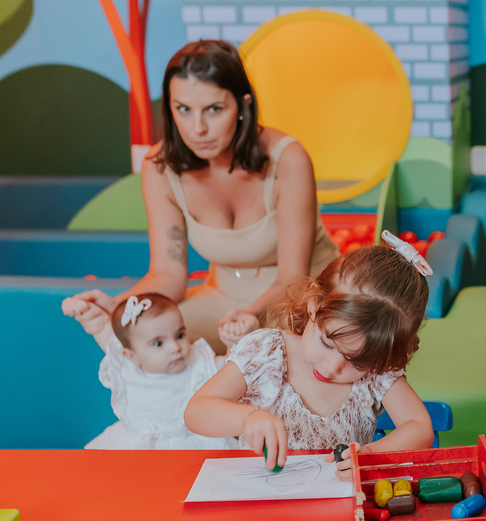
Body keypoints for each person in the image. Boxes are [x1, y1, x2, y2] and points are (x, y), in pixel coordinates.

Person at [65, 39, 338, 354]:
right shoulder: (160, 167)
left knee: (265, 363)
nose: (198, 128)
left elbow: (294, 278)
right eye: (183, 109)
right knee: (143, 340)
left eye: (214, 109)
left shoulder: (288, 159)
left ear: (242, 106)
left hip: (302, 303)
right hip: (223, 303)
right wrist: (120, 306)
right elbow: (168, 275)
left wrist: (251, 316)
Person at [185, 237, 436, 474]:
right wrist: (248, 418)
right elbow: (196, 411)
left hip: (336, 510)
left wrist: (370, 454)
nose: (331, 368)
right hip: (259, 503)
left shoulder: (377, 372)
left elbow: (419, 426)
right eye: (327, 343)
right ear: (314, 304)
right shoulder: (266, 353)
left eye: (357, 362)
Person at [61, 292, 238, 450]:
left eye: (180, 335)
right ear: (132, 356)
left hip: (194, 445)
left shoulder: (199, 364)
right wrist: (84, 310)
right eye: (158, 343)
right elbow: (100, 327)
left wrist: (233, 343)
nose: (175, 347)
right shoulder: (126, 366)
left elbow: (232, 371)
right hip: (137, 446)